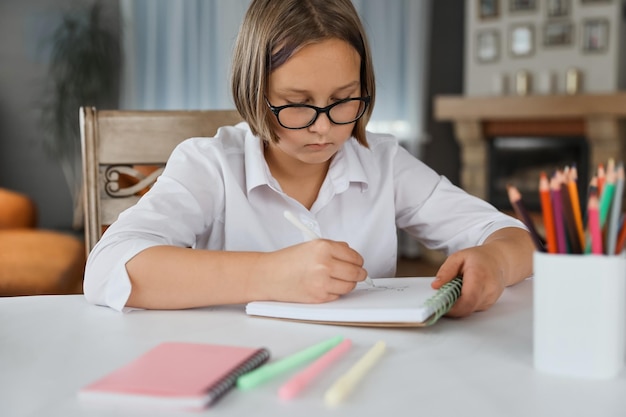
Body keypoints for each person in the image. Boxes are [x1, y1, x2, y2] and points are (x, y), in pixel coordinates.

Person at [84, 0, 534, 315]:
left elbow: (514, 236)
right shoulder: (211, 165)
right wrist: (267, 274)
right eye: (297, 103)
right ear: (254, 93)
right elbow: (107, 267)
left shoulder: (382, 162)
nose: (324, 127)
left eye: (344, 99)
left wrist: (493, 262)